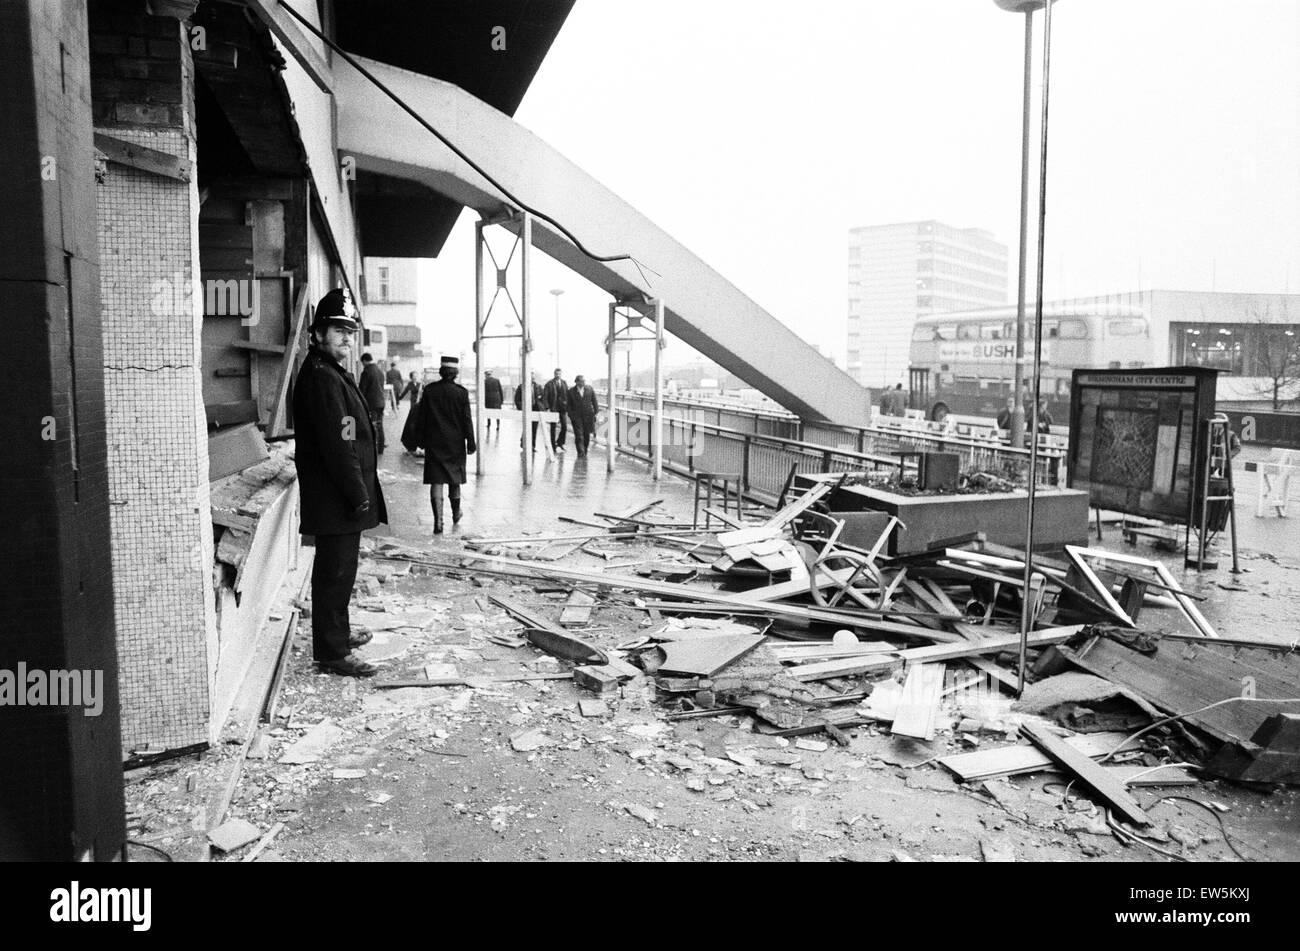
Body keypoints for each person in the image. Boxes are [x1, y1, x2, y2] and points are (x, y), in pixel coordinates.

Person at [292, 288, 387, 678]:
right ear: (316, 335)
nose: (346, 338)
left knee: (341, 572)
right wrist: (358, 494)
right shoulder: (322, 378)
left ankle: (339, 636)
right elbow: (338, 444)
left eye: (350, 331)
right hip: (337, 498)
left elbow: (347, 435)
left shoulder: (329, 373)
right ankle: (332, 653)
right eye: (337, 330)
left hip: (339, 497)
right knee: (334, 575)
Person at [403, 356, 476, 533]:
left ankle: (438, 523)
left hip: (434, 442)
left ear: (441, 371)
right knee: (454, 480)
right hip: (455, 443)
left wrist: (420, 440)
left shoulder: (429, 390)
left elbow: (423, 417)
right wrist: (471, 442)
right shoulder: (461, 392)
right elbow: (467, 420)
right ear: (455, 373)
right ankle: (456, 513)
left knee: (437, 480)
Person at [358, 352, 387, 454]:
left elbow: (362, 390)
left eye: (362, 363)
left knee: (372, 425)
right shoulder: (380, 371)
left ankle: (371, 448)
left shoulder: (366, 372)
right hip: (381, 403)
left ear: (365, 361)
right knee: (380, 425)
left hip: (371, 403)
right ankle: (381, 448)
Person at [569, 374, 599, 456]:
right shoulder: (571, 391)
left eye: (584, 381)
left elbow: (594, 401)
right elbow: (568, 405)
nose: (583, 383)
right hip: (576, 417)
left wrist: (596, 412)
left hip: (588, 416)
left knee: (586, 435)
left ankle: (585, 449)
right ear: (577, 382)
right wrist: (571, 416)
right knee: (579, 435)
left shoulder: (589, 389)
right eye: (581, 381)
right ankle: (580, 452)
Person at [514, 373, 544, 451]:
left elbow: (543, 398)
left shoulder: (538, 387)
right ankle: (523, 443)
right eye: (531, 378)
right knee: (527, 427)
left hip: (535, 409)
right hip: (526, 409)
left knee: (534, 428)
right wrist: (521, 408)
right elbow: (517, 399)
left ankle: (532, 446)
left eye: (533, 378)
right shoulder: (521, 387)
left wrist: (541, 407)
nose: (532, 380)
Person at [543, 367, 570, 452]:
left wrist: (567, 405)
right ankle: (552, 444)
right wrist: (547, 407)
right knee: (553, 427)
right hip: (553, 407)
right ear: (554, 374)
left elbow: (567, 395)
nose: (558, 375)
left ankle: (560, 442)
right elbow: (545, 396)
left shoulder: (564, 383)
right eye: (556, 374)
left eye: (559, 374)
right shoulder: (549, 384)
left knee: (564, 426)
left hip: (562, 408)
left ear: (561, 374)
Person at [483, 369, 504, 434]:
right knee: (497, 413)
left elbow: (483, 392)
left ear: (486, 375)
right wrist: (502, 399)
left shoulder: (484, 381)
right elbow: (500, 390)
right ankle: (498, 425)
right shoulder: (497, 380)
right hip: (497, 399)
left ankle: (489, 424)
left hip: (488, 399)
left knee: (488, 412)